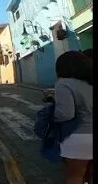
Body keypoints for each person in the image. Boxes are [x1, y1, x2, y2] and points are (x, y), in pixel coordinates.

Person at [54, 51, 93, 184]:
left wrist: (52, 116)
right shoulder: (89, 83)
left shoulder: (64, 83)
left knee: (75, 177)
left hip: (79, 136)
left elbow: (66, 114)